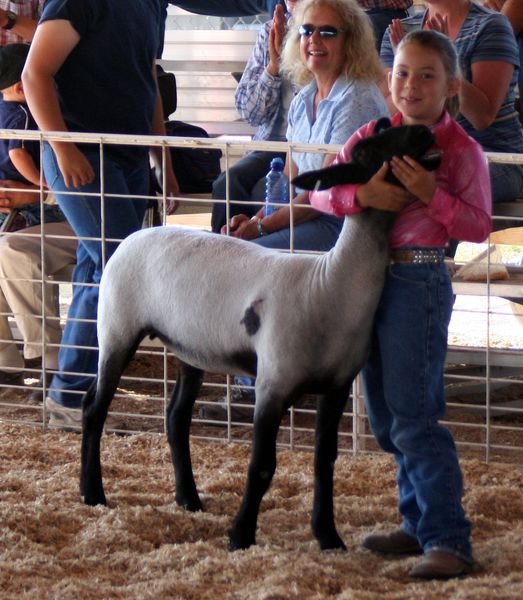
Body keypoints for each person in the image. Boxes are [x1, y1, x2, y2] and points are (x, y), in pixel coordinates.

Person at [310, 30, 491, 579]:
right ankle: (417, 524)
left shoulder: (460, 150)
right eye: (403, 73)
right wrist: (360, 196)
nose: (411, 84)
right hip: (367, 282)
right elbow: (319, 191)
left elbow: (479, 225)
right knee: (387, 416)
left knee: (414, 413)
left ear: (451, 86)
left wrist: (428, 196)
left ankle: (448, 539)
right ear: (389, 80)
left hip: (419, 280)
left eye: (427, 75)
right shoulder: (370, 135)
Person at [201, 0, 388, 421]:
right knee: (246, 248)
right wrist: (254, 221)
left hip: (347, 225)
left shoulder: (355, 99)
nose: (314, 41)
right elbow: (290, 174)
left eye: (327, 32)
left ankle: (260, 388)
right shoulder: (304, 97)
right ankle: (262, 377)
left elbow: (322, 192)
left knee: (251, 261)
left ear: (350, 41)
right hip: (316, 215)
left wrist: (261, 226)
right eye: (306, 32)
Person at [22, 0, 180, 429]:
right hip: (82, 151)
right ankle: (72, 395)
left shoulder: (150, 5)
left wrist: (160, 160)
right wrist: (63, 147)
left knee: (99, 266)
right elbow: (35, 73)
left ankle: (73, 398)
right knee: (119, 265)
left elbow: (147, 79)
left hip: (127, 157)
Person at [380, 0, 523, 210]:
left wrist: (446, 62)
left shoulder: (491, 25)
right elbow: (390, 112)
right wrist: (407, 71)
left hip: (491, 156)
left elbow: (482, 117)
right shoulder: (401, 30)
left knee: (422, 186)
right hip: (424, 153)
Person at [0, 42, 76, 388]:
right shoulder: (18, 112)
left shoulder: (62, 110)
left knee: (12, 249)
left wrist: (36, 192)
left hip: (73, 215)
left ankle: (50, 358)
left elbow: (76, 180)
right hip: (34, 213)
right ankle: (5, 360)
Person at [211, 1, 301, 233]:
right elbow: (248, 111)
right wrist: (273, 67)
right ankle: (217, 257)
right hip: (270, 143)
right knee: (227, 184)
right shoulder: (271, 31)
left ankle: (256, 254)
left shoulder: (328, 32)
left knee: (265, 191)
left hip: (308, 145)